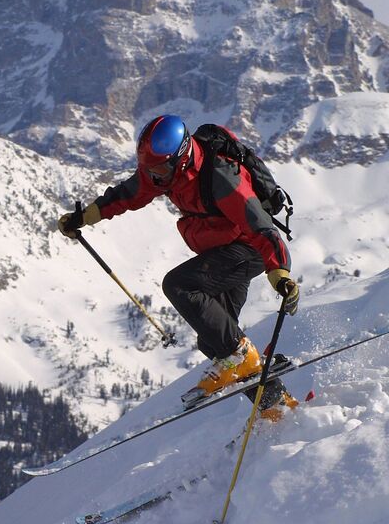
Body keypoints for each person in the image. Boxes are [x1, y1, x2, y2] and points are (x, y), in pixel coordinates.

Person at [57, 114, 300, 417]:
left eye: (158, 169)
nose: (153, 176)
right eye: (149, 169)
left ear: (181, 158)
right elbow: (128, 194)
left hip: (248, 249)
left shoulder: (221, 178)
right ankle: (280, 409)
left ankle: (239, 357)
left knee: (179, 286)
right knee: (214, 338)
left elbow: (262, 228)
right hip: (225, 248)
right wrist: (84, 217)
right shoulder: (165, 173)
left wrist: (280, 274)